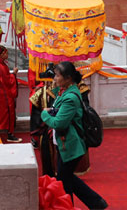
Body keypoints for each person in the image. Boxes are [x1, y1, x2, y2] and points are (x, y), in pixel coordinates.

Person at [41, 61, 109, 210]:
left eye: (58, 75)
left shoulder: (70, 97)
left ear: (68, 78)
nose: (54, 78)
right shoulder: (65, 91)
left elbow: (59, 123)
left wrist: (45, 115)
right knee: (66, 179)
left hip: (70, 144)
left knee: (64, 179)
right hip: (64, 143)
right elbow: (58, 111)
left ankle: (82, 204)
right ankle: (95, 203)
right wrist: (51, 111)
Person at [0, 46, 20, 142]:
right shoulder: (1, 66)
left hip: (1, 92)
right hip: (5, 93)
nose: (7, 55)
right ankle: (9, 134)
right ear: (1, 54)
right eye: (6, 53)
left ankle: (1, 131)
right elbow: (8, 81)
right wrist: (13, 74)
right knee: (8, 113)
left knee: (2, 113)